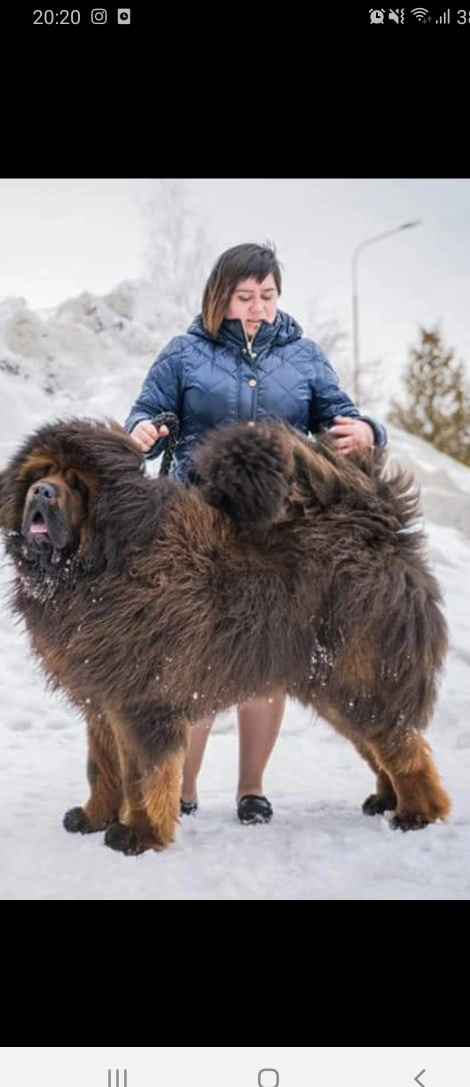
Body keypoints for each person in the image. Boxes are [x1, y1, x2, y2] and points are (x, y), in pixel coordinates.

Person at [124, 242, 388, 825]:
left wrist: (367, 431)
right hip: (199, 529)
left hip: (278, 529)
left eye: (267, 296)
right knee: (190, 661)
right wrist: (144, 430)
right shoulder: (183, 354)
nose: (257, 308)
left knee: (263, 661)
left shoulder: (304, 355)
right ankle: (183, 789)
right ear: (220, 295)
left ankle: (251, 788)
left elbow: (344, 415)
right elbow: (146, 412)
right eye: (245, 297)